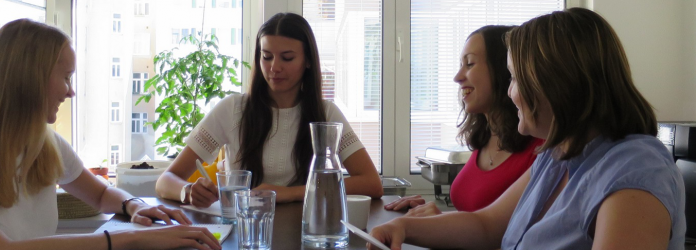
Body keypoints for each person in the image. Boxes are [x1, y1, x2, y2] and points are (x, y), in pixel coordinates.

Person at [369, 8, 685, 250]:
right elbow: (485, 224)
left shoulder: (635, 170)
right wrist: (404, 229)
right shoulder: (555, 154)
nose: (510, 92)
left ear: (555, 83)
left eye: (515, 78)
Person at [0, 19, 221, 250]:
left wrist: (134, 205)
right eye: (66, 77)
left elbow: (100, 194)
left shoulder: (46, 144)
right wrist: (130, 238)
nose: (71, 92)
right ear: (29, 80)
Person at [156, 12, 383, 207]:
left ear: (308, 61)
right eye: (266, 57)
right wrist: (187, 191)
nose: (274, 67)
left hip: (306, 229)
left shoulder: (326, 114)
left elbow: (371, 183)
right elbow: (166, 180)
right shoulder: (233, 109)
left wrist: (289, 193)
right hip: (246, 231)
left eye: (287, 58)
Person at [384, 25, 543, 217]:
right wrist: (435, 217)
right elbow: (474, 221)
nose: (457, 77)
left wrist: (441, 223)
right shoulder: (485, 140)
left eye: (469, 64)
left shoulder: (541, 152)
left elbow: (509, 237)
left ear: (503, 70)